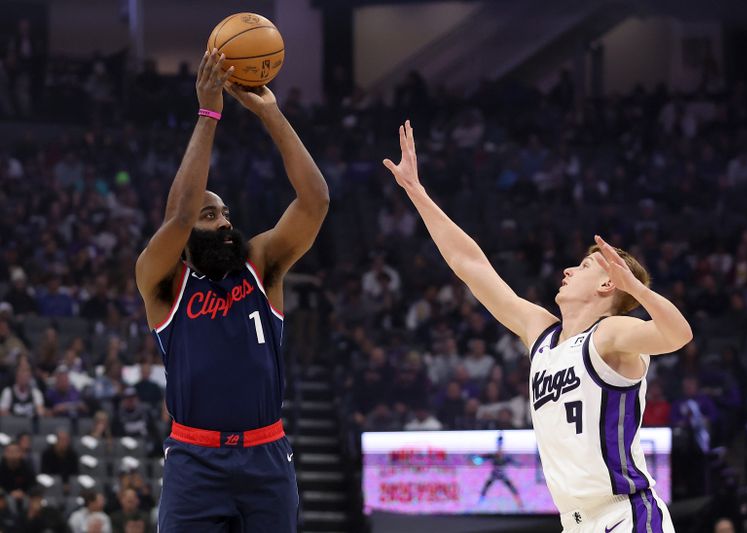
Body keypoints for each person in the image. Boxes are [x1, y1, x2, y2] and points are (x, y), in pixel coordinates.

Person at [383, 121, 692, 532]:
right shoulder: (542, 334)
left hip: (626, 514)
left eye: (582, 265)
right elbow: (471, 266)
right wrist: (417, 193)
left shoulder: (610, 336)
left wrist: (636, 287)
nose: (567, 269)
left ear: (607, 284)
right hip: (575, 522)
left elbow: (678, 334)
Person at [134, 49, 328, 532]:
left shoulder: (260, 266)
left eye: (225, 213)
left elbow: (315, 200)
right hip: (194, 461)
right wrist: (208, 112)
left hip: (266, 456)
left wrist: (271, 113)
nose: (224, 223)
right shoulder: (162, 282)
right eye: (210, 215)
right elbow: (179, 215)